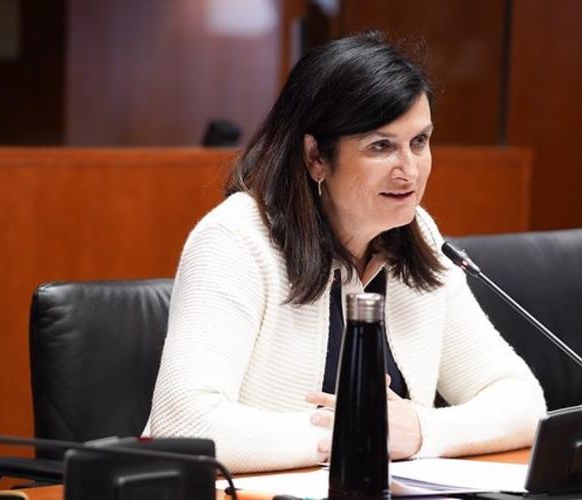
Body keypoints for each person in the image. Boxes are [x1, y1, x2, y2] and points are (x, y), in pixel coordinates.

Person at [148, 31, 546, 473]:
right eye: (381, 146)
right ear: (316, 156)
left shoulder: (417, 236)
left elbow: (522, 400)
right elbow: (182, 426)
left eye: (419, 142)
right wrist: (358, 433)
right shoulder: (235, 240)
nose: (409, 171)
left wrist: (420, 430)